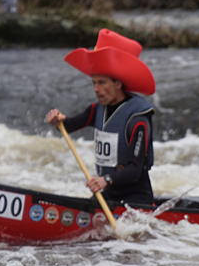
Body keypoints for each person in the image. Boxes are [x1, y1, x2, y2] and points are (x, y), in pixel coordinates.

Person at [44, 29, 157, 206]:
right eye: (94, 83)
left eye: (102, 83)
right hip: (109, 192)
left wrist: (106, 179)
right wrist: (58, 121)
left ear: (118, 84)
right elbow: (69, 125)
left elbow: (135, 170)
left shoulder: (138, 119)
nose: (96, 89)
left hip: (136, 197)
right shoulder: (97, 109)